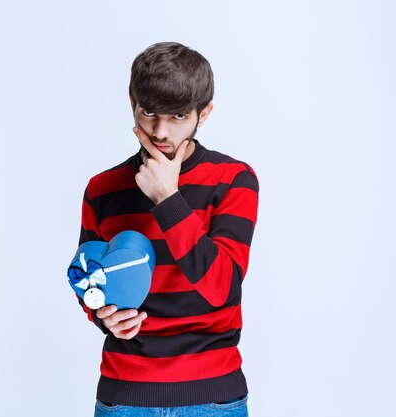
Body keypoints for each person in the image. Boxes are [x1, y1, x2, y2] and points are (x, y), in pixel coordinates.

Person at [75, 41, 259, 417]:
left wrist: (167, 199)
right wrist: (103, 316)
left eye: (177, 117)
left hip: (213, 399)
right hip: (124, 396)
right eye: (149, 113)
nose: (160, 131)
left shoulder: (233, 180)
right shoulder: (102, 188)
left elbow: (221, 288)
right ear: (132, 103)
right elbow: (86, 276)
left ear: (202, 114)